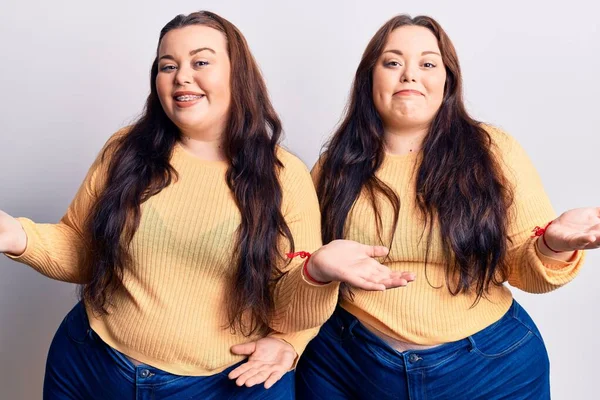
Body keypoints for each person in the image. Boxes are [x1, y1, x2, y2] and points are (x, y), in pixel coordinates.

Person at [0, 11, 413, 399]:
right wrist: (17, 235)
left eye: (200, 63)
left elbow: (289, 314)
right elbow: (83, 252)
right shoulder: (124, 150)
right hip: (89, 366)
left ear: (238, 75)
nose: (182, 77)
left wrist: (316, 271)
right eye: (167, 65)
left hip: (219, 384)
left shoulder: (283, 175)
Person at [296, 14, 600, 400]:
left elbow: (529, 275)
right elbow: (299, 268)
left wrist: (552, 245)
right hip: (348, 366)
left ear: (447, 81)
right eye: (392, 63)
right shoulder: (335, 164)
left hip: (489, 371)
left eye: (427, 63)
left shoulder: (493, 150)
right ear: (369, 79)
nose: (409, 75)